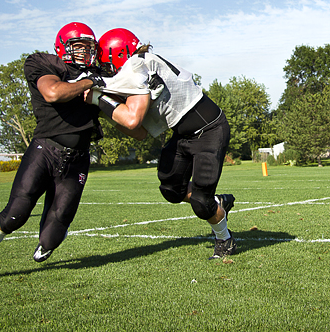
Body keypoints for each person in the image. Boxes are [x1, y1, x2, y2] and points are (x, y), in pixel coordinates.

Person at [0, 22, 105, 289]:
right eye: (77, 46)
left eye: (88, 47)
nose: (83, 52)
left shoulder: (100, 73)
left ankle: (49, 232)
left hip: (78, 159)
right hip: (45, 149)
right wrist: (89, 82)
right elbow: (53, 93)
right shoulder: (44, 64)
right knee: (15, 214)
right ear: (62, 47)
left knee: (52, 236)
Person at [88, 28, 236, 260]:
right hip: (183, 133)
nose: (106, 68)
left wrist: (97, 95)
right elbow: (138, 133)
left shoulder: (136, 64)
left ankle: (224, 239)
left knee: (200, 202)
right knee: (171, 189)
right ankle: (217, 203)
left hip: (209, 130)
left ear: (119, 53)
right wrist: (104, 106)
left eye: (106, 61)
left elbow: (126, 110)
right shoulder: (143, 64)